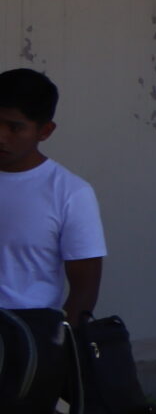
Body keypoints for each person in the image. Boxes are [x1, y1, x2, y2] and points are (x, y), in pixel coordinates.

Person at [0, 69, 106, 330]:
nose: (1, 136)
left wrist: (59, 344)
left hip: (26, 337)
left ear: (45, 131)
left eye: (14, 127)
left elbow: (84, 290)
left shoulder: (71, 193)